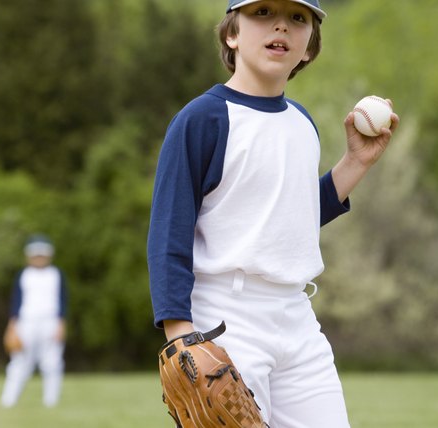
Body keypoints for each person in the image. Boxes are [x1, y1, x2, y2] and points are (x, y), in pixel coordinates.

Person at [147, 0, 399, 426]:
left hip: (296, 315)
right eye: (262, 12)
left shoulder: (302, 123)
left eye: (298, 18)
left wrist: (355, 163)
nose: (281, 24)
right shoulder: (203, 119)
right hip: (226, 316)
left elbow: (288, 219)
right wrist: (181, 336)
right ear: (232, 34)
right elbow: (169, 232)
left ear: (308, 48)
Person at [0, 234, 69, 408]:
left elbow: (62, 300)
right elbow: (16, 302)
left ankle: (51, 401)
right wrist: (12, 326)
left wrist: (61, 323)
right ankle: (8, 400)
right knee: (19, 361)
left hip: (50, 321)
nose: (39, 258)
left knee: (52, 362)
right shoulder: (23, 275)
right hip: (26, 322)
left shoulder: (56, 274)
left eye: (42, 255)